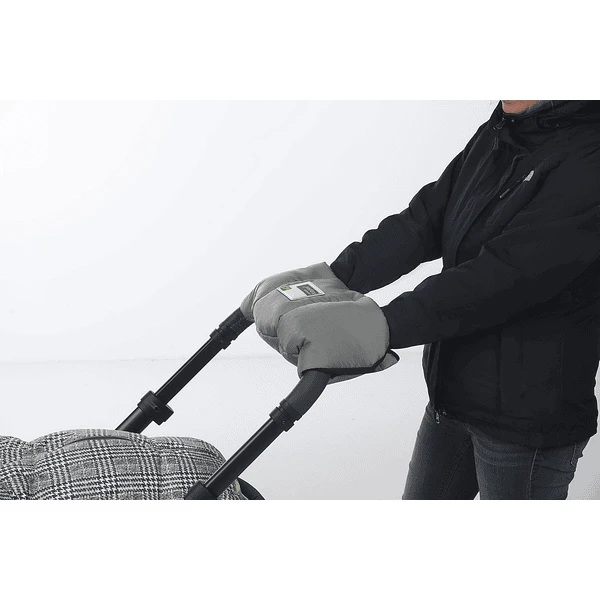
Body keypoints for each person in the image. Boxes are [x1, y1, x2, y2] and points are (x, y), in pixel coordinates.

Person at [327, 100, 600, 500]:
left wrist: (380, 326)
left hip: (525, 422)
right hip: (453, 397)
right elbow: (425, 222)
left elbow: (503, 277)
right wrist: (333, 279)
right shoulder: (501, 130)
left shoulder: (588, 155)